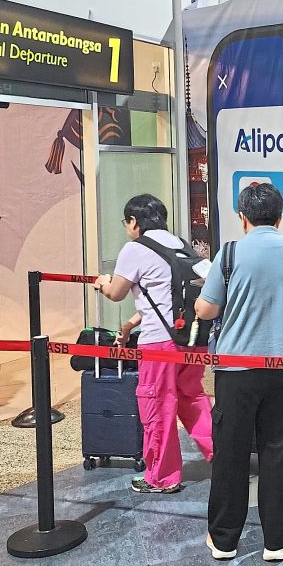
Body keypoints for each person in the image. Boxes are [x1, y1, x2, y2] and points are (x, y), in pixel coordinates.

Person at [195, 183, 283, 562]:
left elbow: (206, 310)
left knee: (231, 452)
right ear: (280, 217)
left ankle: (223, 540)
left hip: (236, 368)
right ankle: (278, 539)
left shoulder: (230, 252)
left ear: (242, 217)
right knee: (277, 450)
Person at [93, 194, 214, 493]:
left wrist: (101, 283)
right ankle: (224, 456)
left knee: (157, 406)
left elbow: (117, 292)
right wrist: (132, 323)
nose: (127, 228)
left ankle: (161, 477)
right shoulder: (181, 245)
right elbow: (165, 295)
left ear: (134, 221)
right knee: (193, 399)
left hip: (160, 345)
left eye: (127, 222)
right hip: (192, 339)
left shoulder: (135, 249)